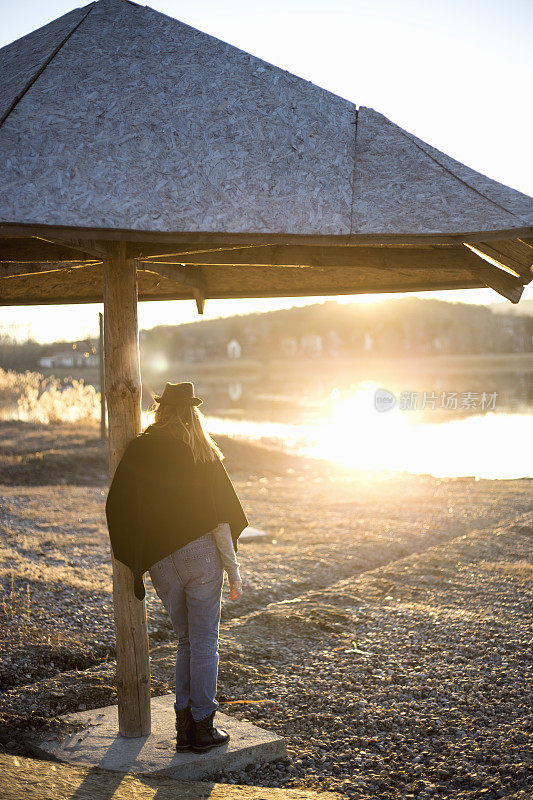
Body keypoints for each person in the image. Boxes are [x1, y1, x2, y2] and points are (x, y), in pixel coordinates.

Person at [105, 381, 249, 753]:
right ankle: (201, 727)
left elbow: (118, 505)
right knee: (204, 642)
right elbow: (221, 520)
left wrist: (138, 559)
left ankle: (184, 726)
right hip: (200, 557)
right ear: (192, 412)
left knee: (187, 640)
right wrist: (233, 570)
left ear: (161, 410)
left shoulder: (138, 448)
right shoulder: (200, 449)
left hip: (160, 564)